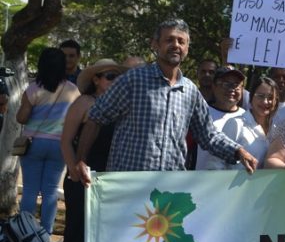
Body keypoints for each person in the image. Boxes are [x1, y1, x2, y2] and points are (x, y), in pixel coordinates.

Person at [74, 18, 257, 186]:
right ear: (155, 44)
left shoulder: (190, 91)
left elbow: (208, 135)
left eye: (181, 41)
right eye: (169, 40)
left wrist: (238, 151)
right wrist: (81, 160)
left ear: (187, 48)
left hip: (167, 190)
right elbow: (95, 118)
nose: (176, 45)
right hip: (128, 186)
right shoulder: (133, 80)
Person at [55, 58, 127, 242]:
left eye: (117, 77)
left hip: (106, 183)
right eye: (109, 76)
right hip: (82, 181)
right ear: (96, 79)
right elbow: (66, 139)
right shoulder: (84, 103)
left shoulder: (119, 106)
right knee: (75, 238)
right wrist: (73, 168)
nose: (114, 81)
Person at [16, 47, 81, 233]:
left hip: (33, 143)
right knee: (50, 191)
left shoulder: (33, 88)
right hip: (60, 144)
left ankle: (25, 232)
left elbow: (22, 118)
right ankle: (46, 233)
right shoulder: (73, 90)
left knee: (30, 189)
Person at [220, 77, 280, 170]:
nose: (265, 102)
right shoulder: (236, 124)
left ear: (276, 101)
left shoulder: (277, 130)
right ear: (251, 97)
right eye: (260, 96)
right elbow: (217, 163)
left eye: (270, 97)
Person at [195, 67, 247, 170]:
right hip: (199, 177)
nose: (231, 89)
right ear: (214, 86)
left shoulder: (247, 117)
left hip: (235, 179)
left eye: (236, 85)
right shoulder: (201, 114)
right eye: (226, 84)